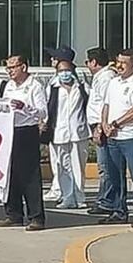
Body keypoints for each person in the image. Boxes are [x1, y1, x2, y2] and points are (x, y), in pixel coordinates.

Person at [0, 55, 47, 231]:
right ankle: (13, 214)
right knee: (10, 174)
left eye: (13, 67)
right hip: (9, 130)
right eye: (7, 68)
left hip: (27, 131)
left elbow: (42, 113)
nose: (10, 71)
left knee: (29, 176)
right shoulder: (8, 85)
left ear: (23, 67)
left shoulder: (35, 86)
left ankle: (36, 217)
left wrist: (24, 107)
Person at [100, 49, 133, 228]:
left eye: (124, 63)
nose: (119, 65)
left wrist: (115, 124)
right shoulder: (113, 82)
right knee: (115, 175)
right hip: (113, 137)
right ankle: (119, 211)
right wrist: (104, 124)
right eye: (118, 61)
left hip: (131, 137)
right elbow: (106, 105)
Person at [46, 59, 89, 209]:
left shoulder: (81, 87)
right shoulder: (53, 88)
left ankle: (79, 197)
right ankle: (67, 197)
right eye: (61, 71)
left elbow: (89, 106)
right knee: (62, 167)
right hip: (59, 131)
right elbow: (47, 109)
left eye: (67, 70)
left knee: (78, 166)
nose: (64, 73)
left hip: (79, 131)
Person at [83, 48, 117, 217]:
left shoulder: (106, 78)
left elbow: (105, 105)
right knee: (104, 166)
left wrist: (99, 127)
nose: (87, 65)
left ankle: (107, 201)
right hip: (99, 125)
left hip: (102, 126)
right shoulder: (101, 77)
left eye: (87, 62)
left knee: (106, 167)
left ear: (94, 62)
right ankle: (106, 199)